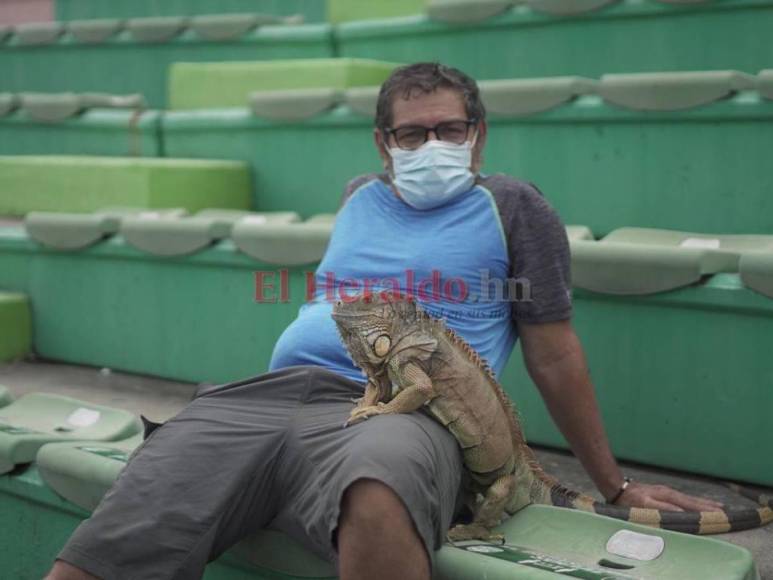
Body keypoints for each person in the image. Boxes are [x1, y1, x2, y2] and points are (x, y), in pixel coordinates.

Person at [46, 62, 722, 580]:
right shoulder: (357, 195)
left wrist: (615, 484)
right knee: (151, 478)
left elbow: (553, 352)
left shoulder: (514, 206)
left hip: (411, 411)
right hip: (280, 394)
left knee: (375, 490)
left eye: (449, 129)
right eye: (412, 132)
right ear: (383, 143)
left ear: (476, 136)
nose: (432, 143)